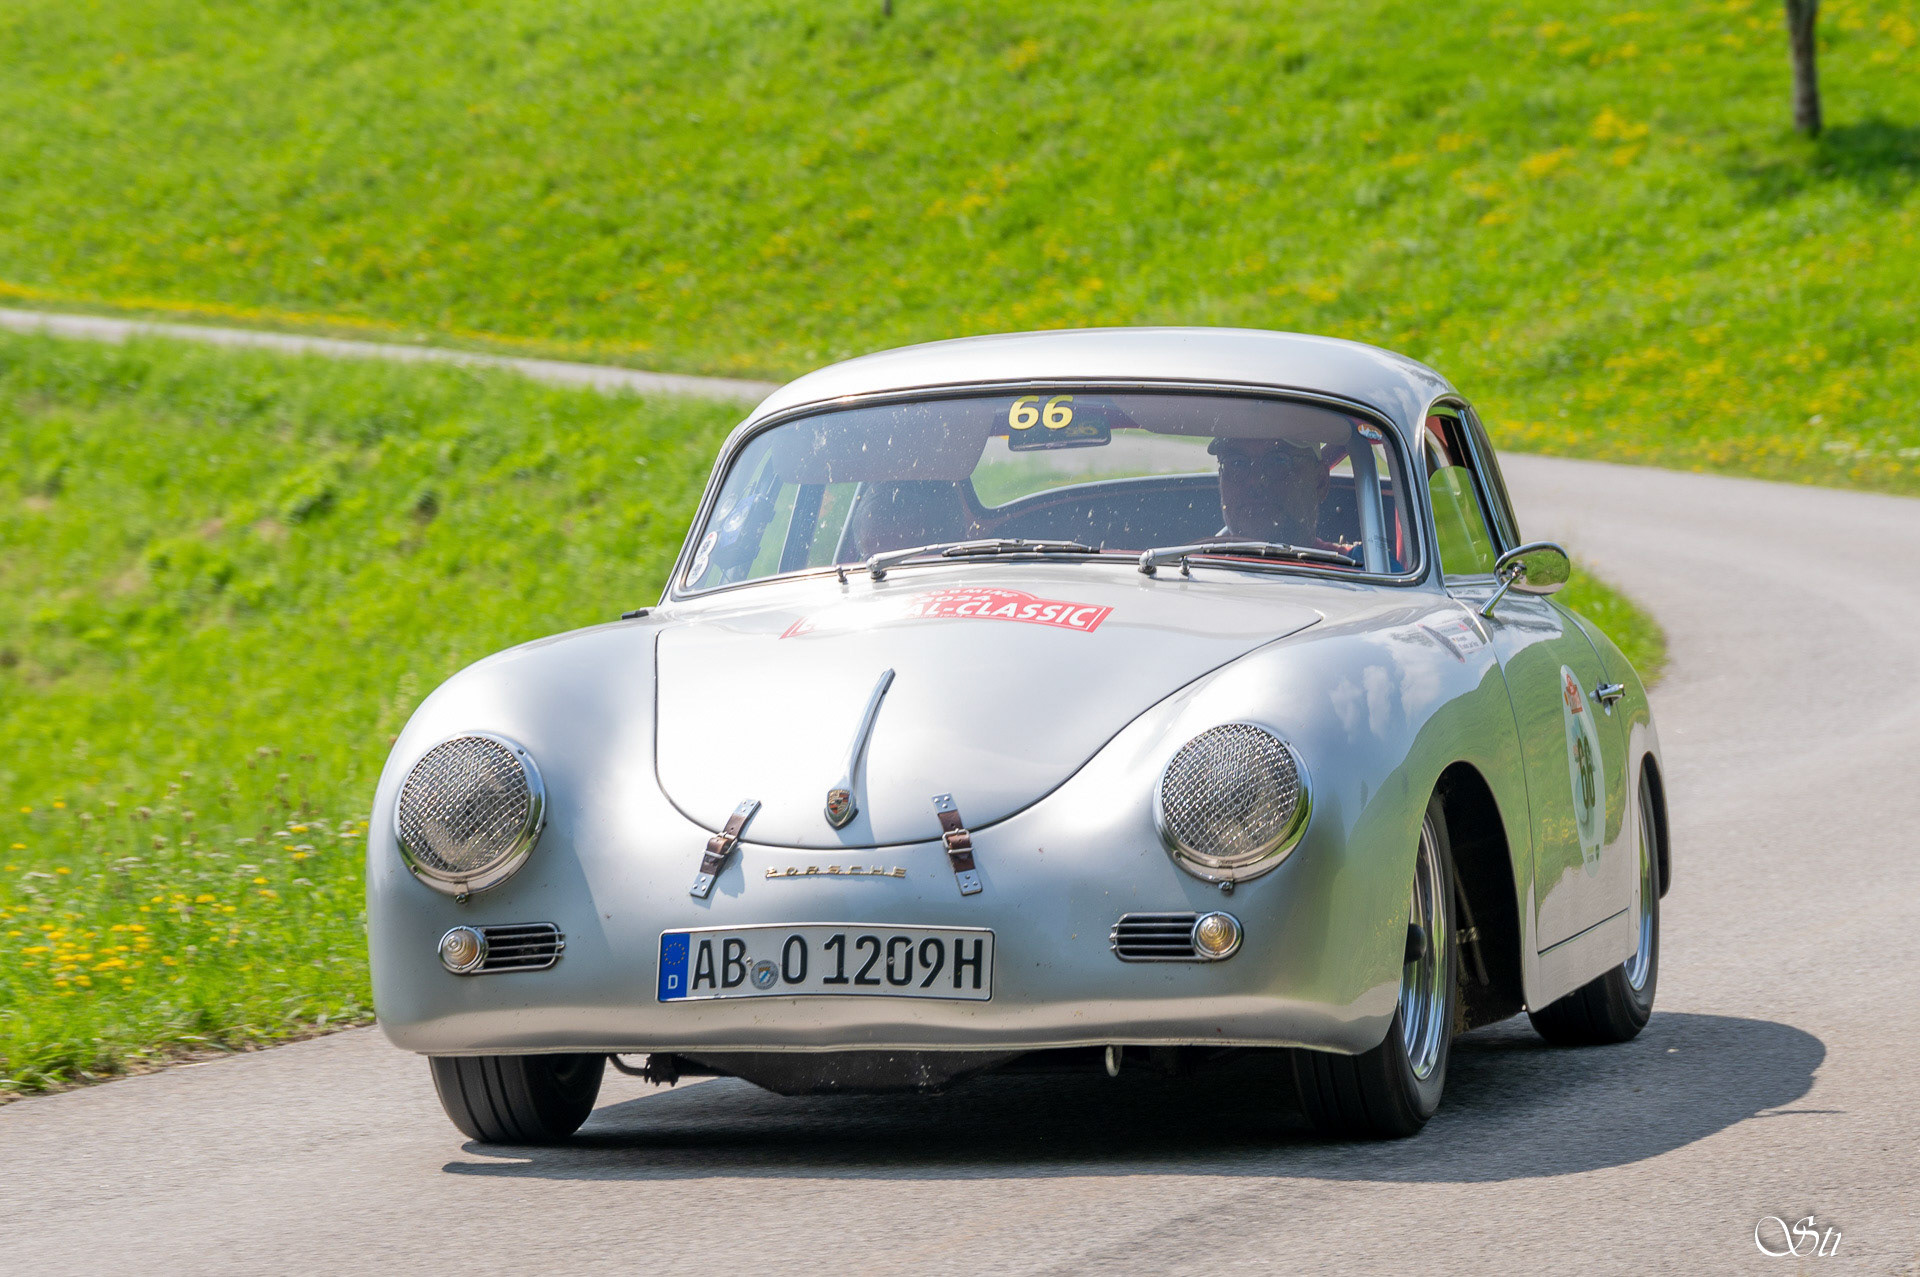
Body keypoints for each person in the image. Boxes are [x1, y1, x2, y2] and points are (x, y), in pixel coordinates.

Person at [1209, 436, 1353, 557]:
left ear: (1320, 482)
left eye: (1278, 461)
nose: (1256, 480)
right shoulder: (1193, 571)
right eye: (1236, 463)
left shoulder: (1363, 571)